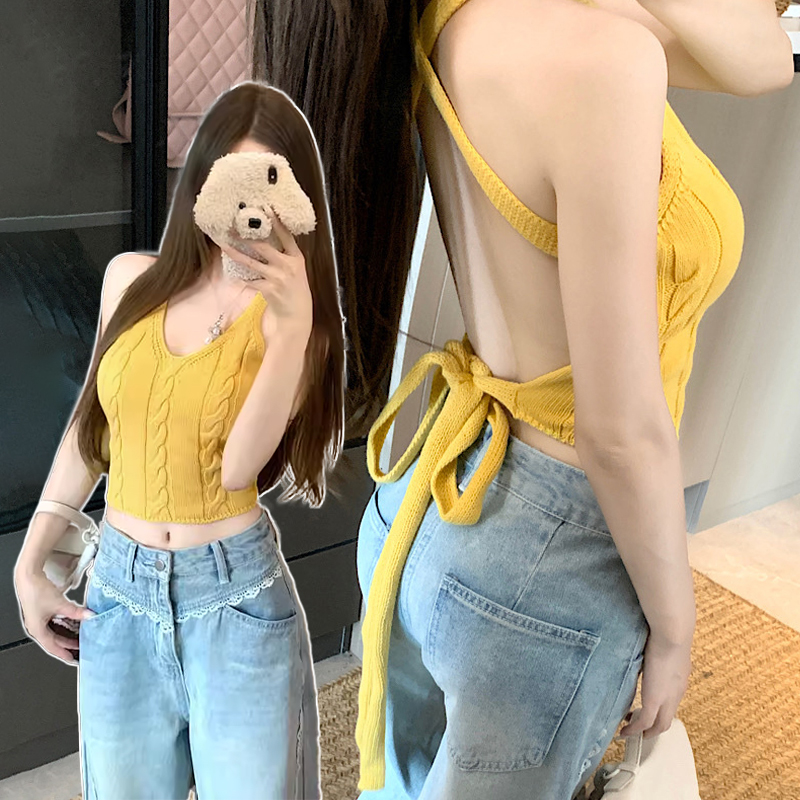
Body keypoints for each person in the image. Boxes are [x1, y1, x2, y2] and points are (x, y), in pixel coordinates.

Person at [255, 0, 793, 798]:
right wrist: (675, 627)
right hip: (547, 567)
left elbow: (763, 56)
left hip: (435, 497)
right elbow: (618, 432)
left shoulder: (444, 17)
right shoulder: (600, 56)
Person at [13, 81, 346, 800]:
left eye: (267, 185)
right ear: (200, 183)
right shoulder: (129, 281)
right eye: (230, 180)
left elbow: (237, 468)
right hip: (117, 591)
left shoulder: (298, 327)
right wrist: (31, 561)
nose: (247, 212)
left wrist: (292, 326)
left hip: (237, 602)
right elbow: (92, 429)